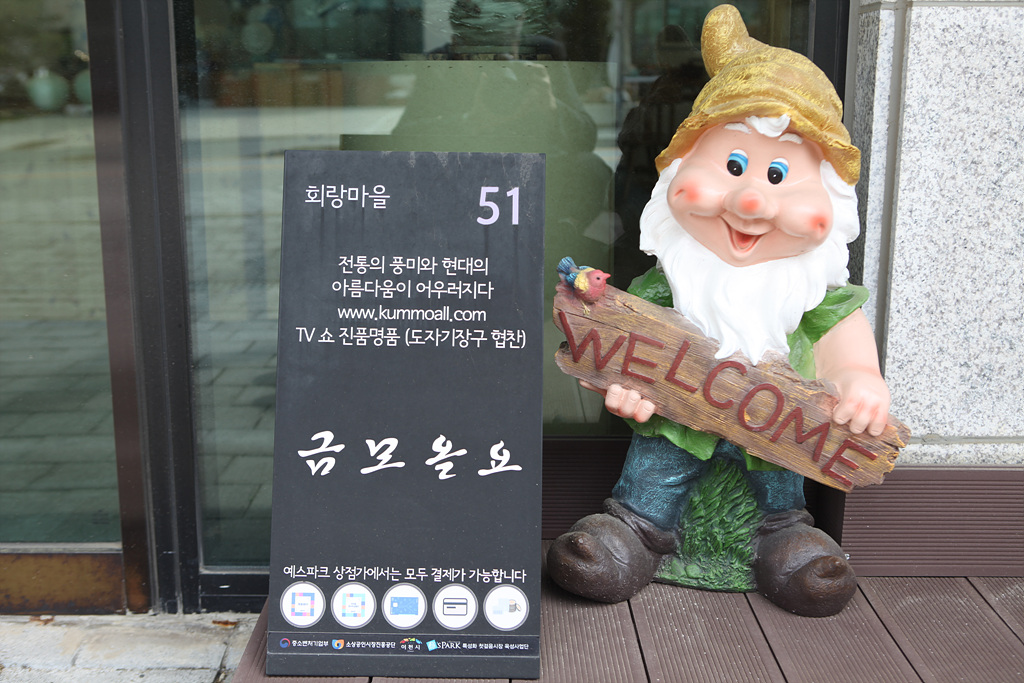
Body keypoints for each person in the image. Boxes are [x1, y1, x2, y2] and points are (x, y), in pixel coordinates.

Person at [547, 4, 890, 617]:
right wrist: (626, 389)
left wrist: (860, 381)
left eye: (779, 176)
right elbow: (624, 347)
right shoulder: (668, 284)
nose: (751, 202)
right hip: (676, 425)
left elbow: (843, 344)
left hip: (777, 432)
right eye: (732, 167)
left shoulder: (809, 290)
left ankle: (786, 543)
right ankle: (633, 534)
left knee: (778, 493)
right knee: (652, 479)